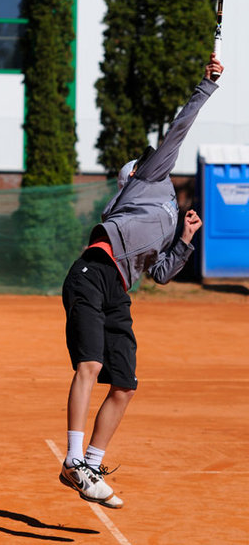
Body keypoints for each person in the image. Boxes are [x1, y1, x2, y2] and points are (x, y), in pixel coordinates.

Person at [60, 54, 224, 509]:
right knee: (89, 366)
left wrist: (186, 239)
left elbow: (161, 273)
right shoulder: (147, 181)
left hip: (119, 290)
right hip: (91, 275)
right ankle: (73, 460)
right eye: (147, 163)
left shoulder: (168, 212)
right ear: (134, 175)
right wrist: (205, 87)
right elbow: (178, 131)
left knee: (126, 384)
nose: (158, 162)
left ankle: (91, 462)